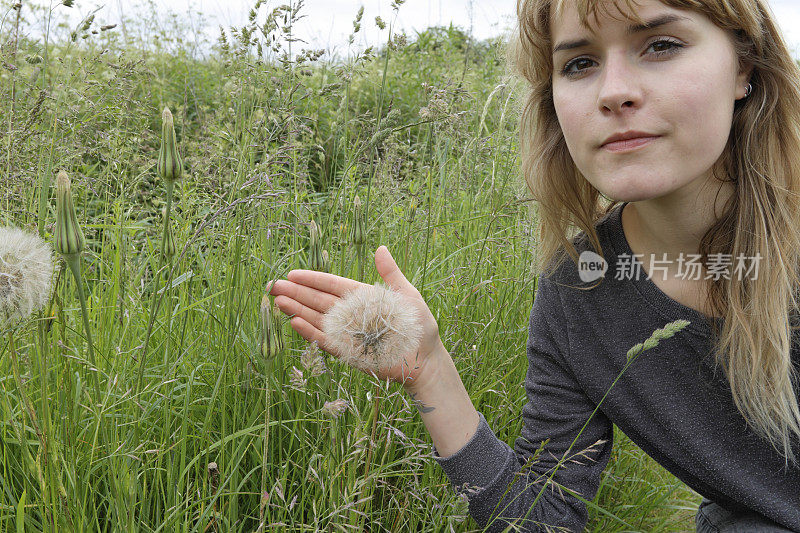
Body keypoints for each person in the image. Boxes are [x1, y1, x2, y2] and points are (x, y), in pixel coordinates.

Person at [267, 0, 800, 531]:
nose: (614, 91)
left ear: (744, 67)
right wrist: (430, 373)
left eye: (661, 45)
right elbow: (543, 520)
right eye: (579, 63)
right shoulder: (581, 286)